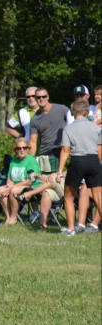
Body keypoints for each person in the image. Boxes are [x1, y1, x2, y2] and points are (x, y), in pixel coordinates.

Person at [58, 98, 101, 236]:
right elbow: (99, 149)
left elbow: (65, 150)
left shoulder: (68, 129)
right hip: (94, 161)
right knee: (99, 197)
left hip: (78, 162)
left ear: (72, 112)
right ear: (88, 111)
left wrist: (59, 170)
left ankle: (71, 229)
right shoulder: (96, 127)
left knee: (69, 196)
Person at [0, 137, 40, 226]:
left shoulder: (31, 160)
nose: (22, 150)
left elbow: (30, 180)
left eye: (24, 148)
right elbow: (9, 178)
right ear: (16, 150)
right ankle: (8, 216)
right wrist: (9, 186)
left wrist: (12, 187)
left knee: (14, 191)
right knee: (0, 190)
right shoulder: (13, 161)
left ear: (28, 149)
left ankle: (14, 218)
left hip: (31, 187)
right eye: (19, 148)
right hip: (16, 186)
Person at [31, 87, 69, 161]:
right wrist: (30, 159)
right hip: (45, 152)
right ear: (35, 99)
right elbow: (33, 142)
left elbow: (74, 123)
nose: (41, 99)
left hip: (62, 150)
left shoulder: (62, 109)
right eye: (38, 97)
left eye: (44, 96)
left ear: (48, 97)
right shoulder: (34, 119)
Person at [5, 86, 39, 152]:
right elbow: (8, 127)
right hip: (29, 149)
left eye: (33, 96)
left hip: (46, 149)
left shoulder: (47, 110)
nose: (31, 98)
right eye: (28, 97)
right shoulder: (21, 112)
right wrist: (19, 136)